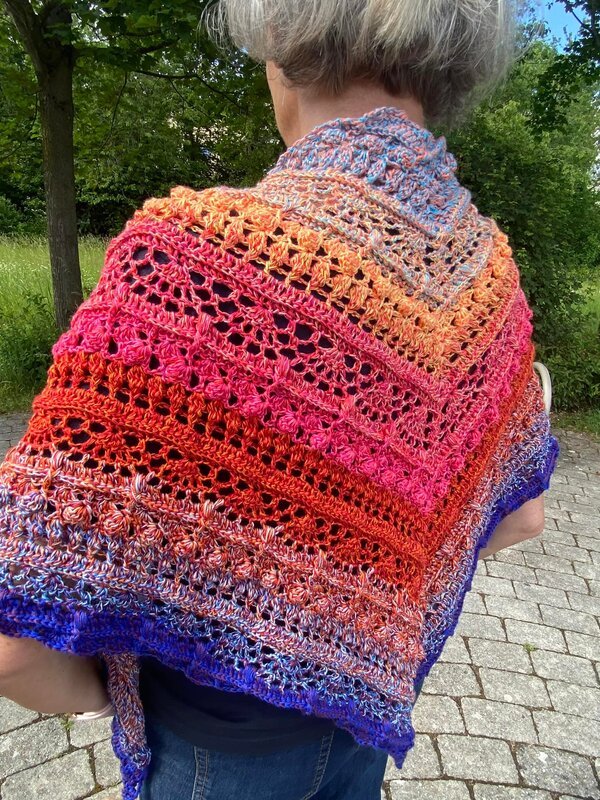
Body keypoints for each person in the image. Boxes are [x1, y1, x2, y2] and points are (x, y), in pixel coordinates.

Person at [0, 2, 559, 800]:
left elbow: (13, 647)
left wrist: (103, 698)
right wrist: (361, 610)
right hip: (358, 733)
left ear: (280, 45)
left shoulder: (186, 262)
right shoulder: (487, 280)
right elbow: (521, 517)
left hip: (209, 751)